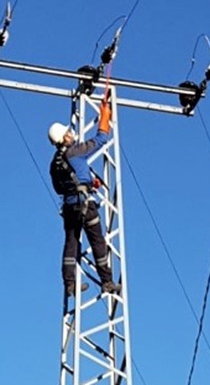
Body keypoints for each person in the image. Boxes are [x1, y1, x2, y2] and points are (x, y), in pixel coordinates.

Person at [48, 97, 121, 297]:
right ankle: (107, 281)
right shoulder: (75, 152)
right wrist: (105, 119)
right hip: (85, 206)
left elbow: (58, 188)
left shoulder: (54, 164)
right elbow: (100, 140)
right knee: (98, 242)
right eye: (68, 133)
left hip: (70, 207)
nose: (71, 134)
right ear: (64, 138)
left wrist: (84, 182)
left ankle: (69, 284)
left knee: (71, 243)